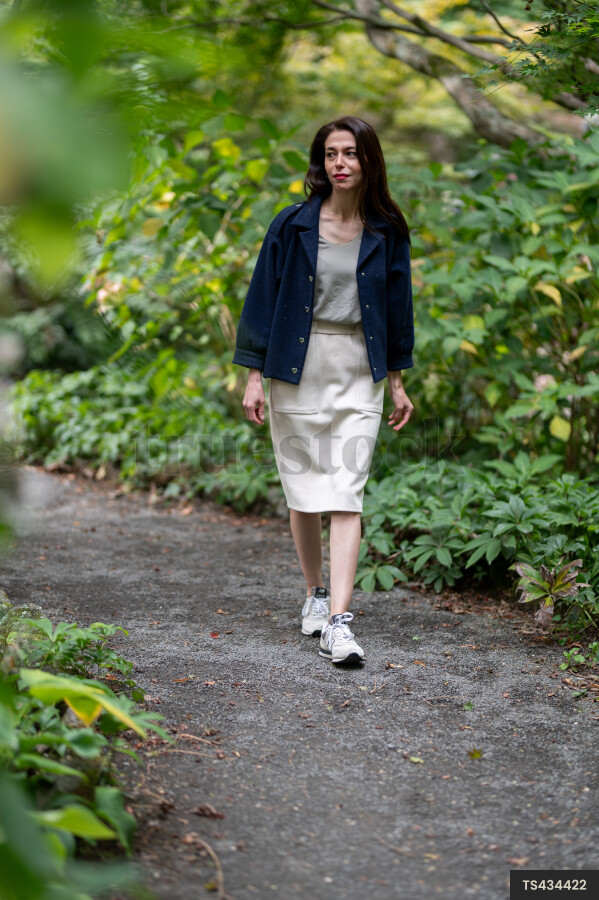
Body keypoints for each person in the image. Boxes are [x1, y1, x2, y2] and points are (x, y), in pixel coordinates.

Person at [233, 115, 414, 665]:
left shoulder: (387, 231)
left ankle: (339, 620)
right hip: (297, 364)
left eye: (352, 153)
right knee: (305, 487)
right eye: (333, 153)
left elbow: (399, 309)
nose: (341, 163)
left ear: (368, 162)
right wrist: (252, 373)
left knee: (345, 489)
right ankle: (314, 592)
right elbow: (263, 298)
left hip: (360, 366)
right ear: (321, 161)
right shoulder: (291, 225)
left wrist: (399, 381)